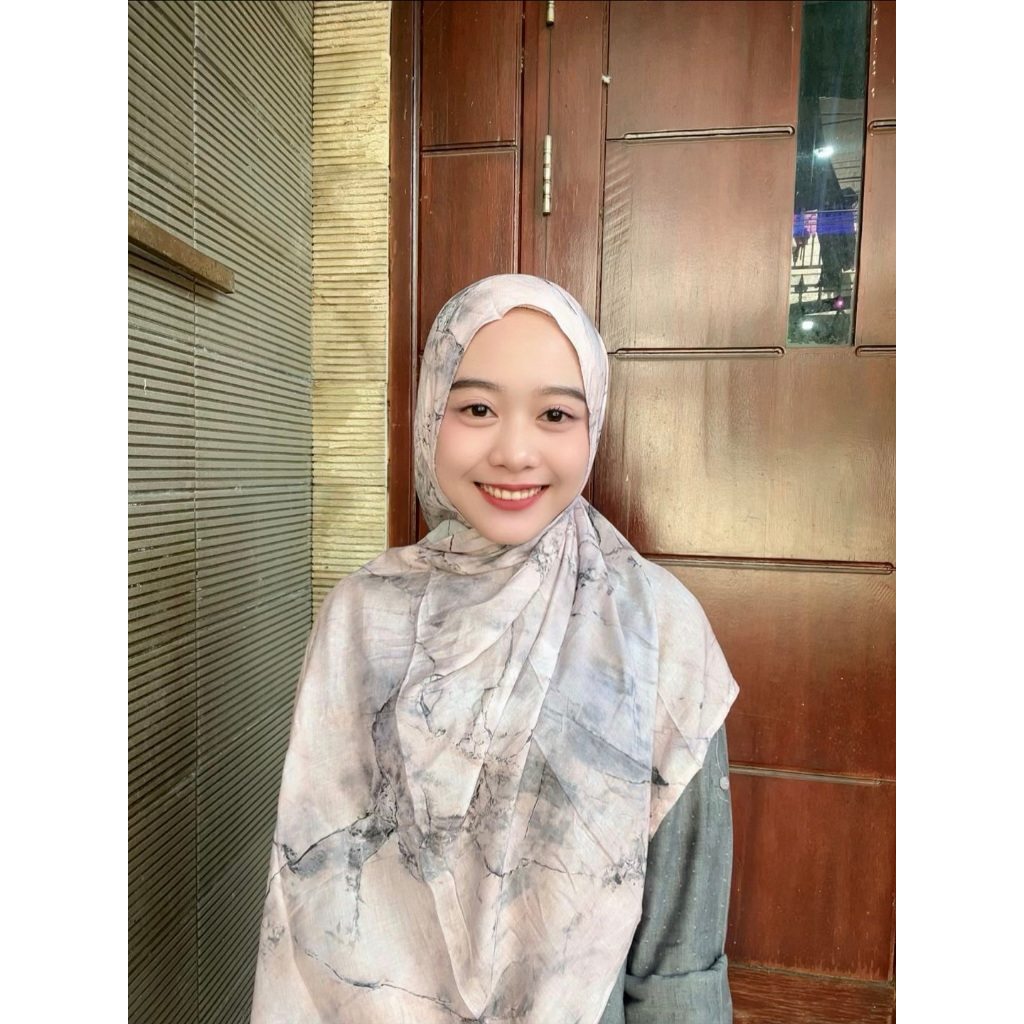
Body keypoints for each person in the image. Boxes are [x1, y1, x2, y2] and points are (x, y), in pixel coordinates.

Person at [250, 275, 739, 1024]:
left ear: (592, 426)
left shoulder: (657, 630)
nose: (514, 451)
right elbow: (310, 893)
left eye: (555, 414)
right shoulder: (360, 618)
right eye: (477, 408)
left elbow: (680, 953)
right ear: (430, 414)